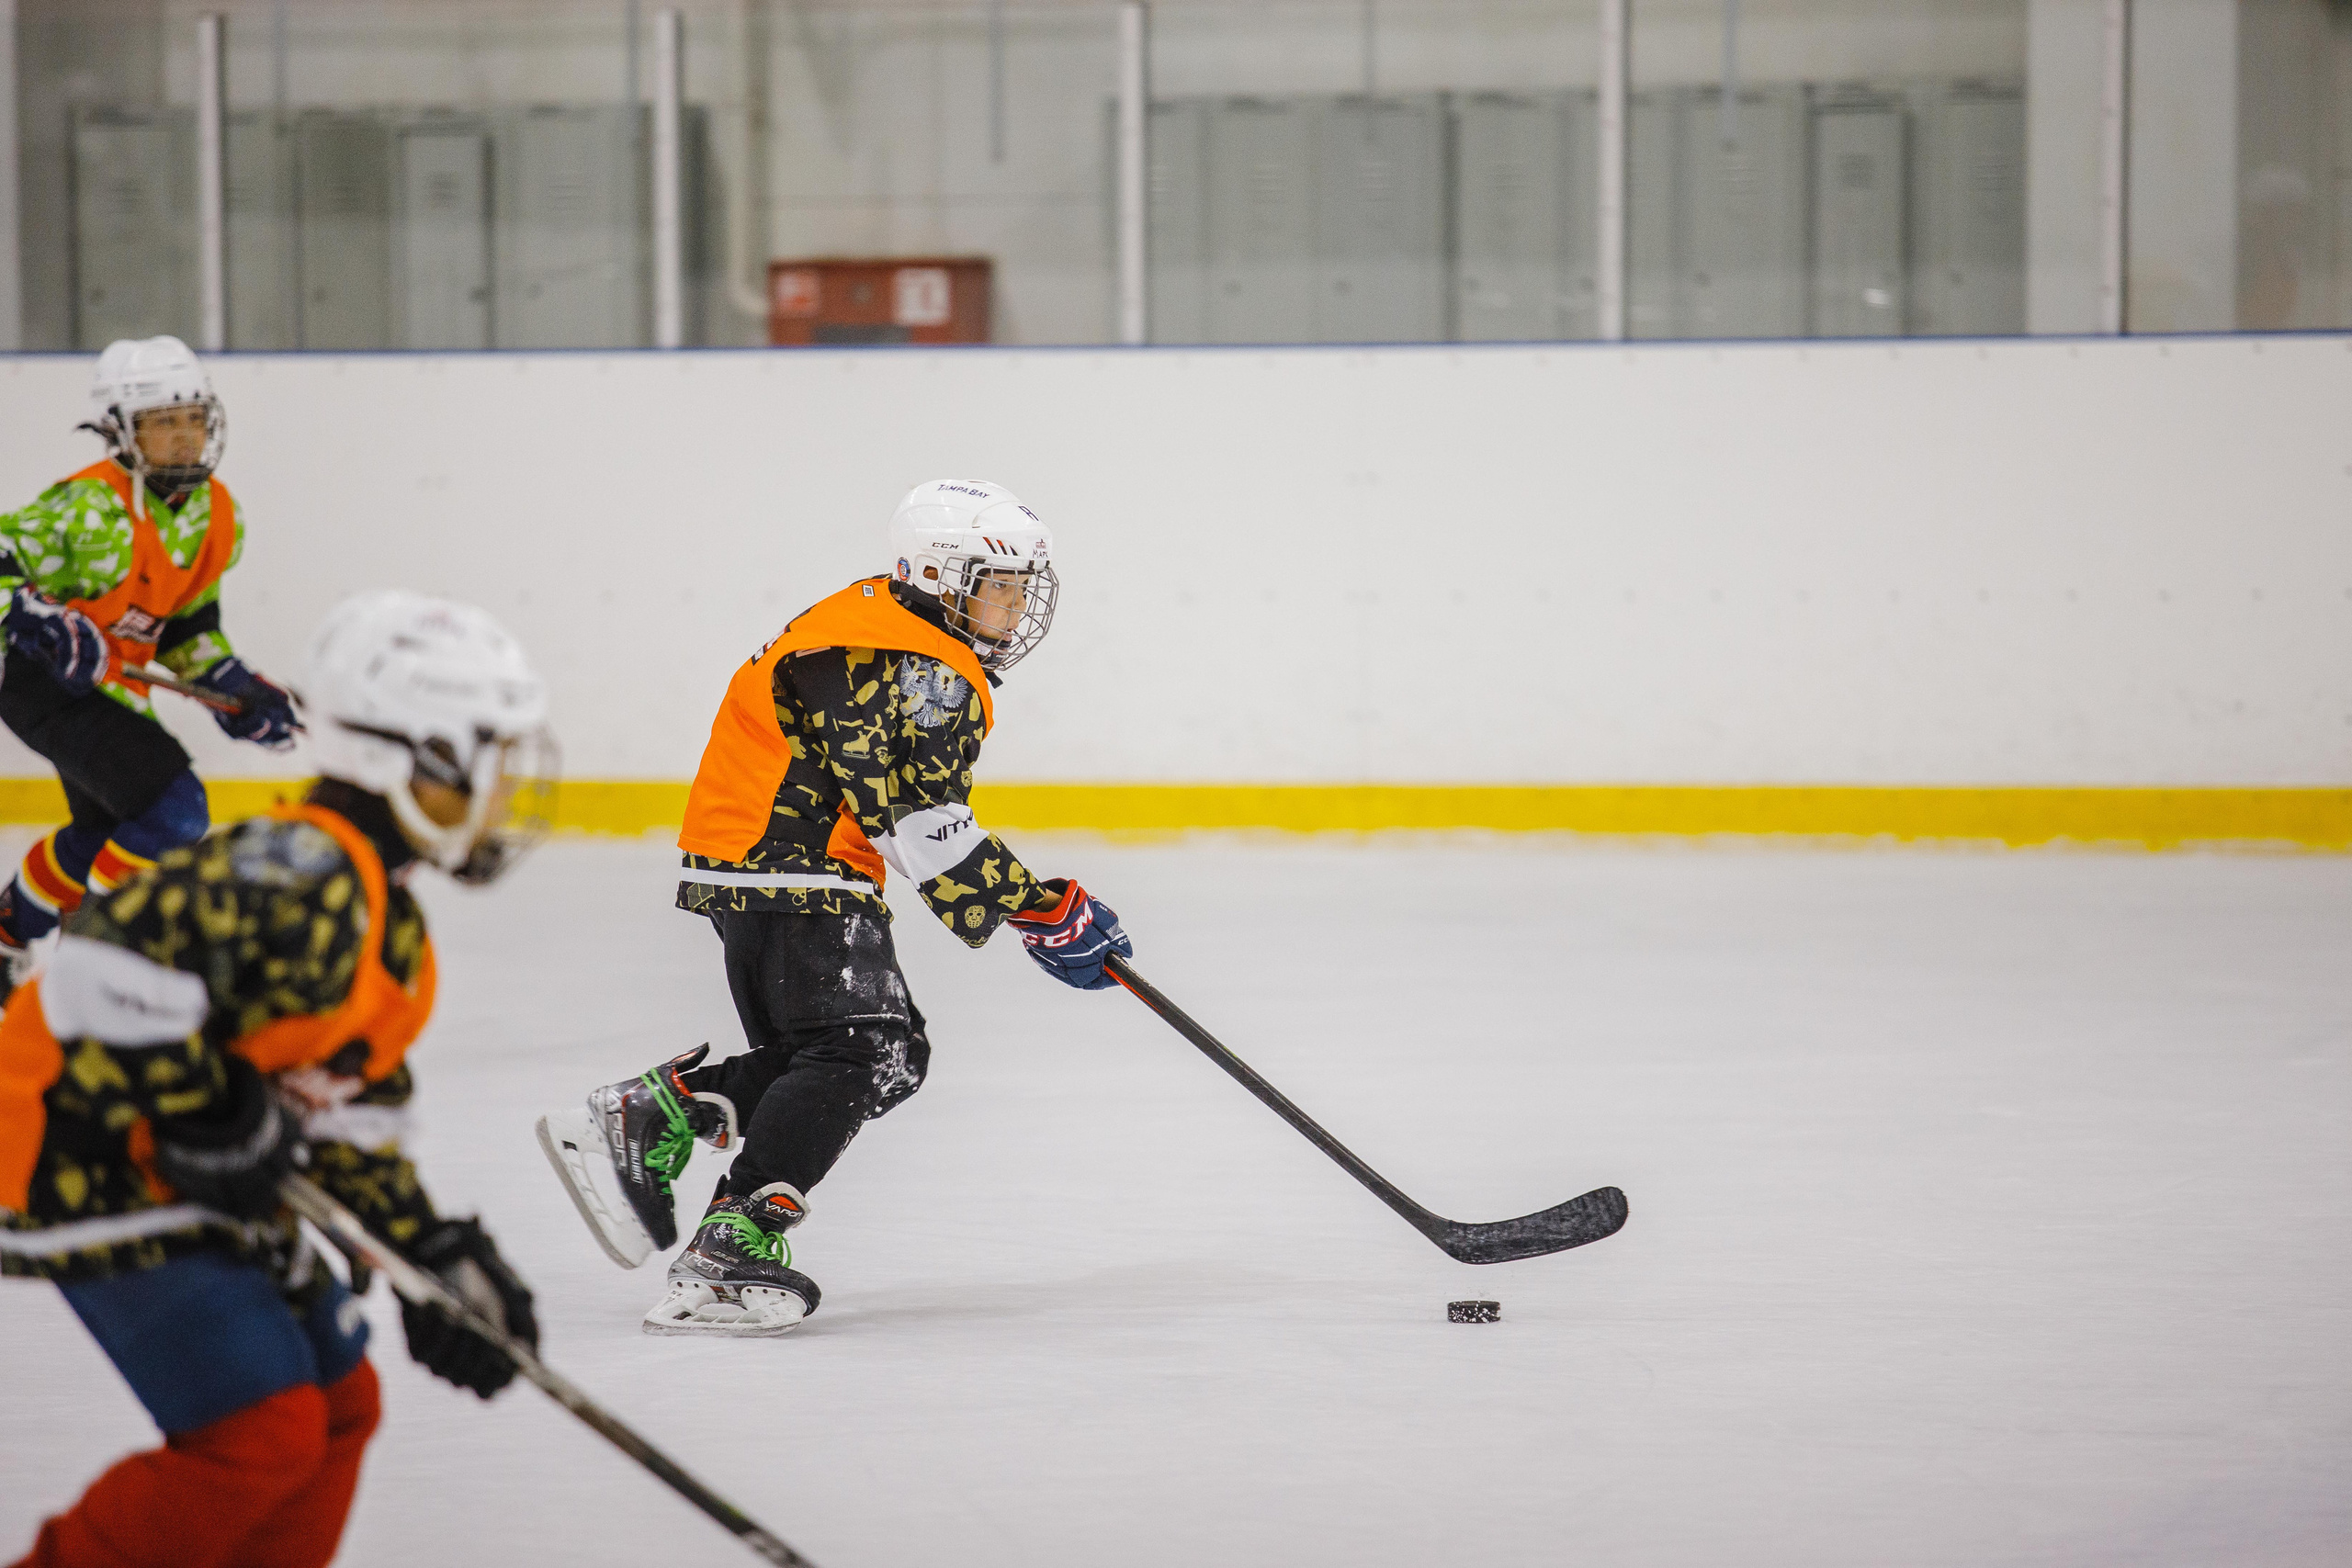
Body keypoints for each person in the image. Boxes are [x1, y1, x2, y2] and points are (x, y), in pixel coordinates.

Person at [0, 590, 558, 1568]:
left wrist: (428, 1252)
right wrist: (210, 1109)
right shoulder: (300, 872)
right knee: (257, 1434)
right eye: (484, 760)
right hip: (64, 1149)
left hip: (166, 1165)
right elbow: (101, 964)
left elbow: (342, 1114)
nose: (503, 793)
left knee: (343, 1408)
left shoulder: (390, 925)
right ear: (402, 758)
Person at [537, 479, 1131, 1337]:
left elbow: (896, 811)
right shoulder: (921, 664)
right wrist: (1042, 908)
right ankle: (733, 1232)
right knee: (866, 1047)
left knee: (861, 1057)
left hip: (757, 860)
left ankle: (660, 1114)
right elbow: (920, 823)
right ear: (938, 574)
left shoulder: (874, 624)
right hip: (792, 864)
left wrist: (1027, 907)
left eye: (1019, 589)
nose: (1013, 607)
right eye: (998, 586)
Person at [0, 336, 300, 1000]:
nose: (185, 436)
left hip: (108, 688)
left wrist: (235, 689)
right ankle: (98, 957)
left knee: (108, 829)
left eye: (193, 417)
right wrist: (27, 611)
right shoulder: (87, 509)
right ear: (119, 430)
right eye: (163, 421)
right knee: (174, 810)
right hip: (39, 682)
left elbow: (189, 629)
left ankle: (10, 932)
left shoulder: (218, 514)